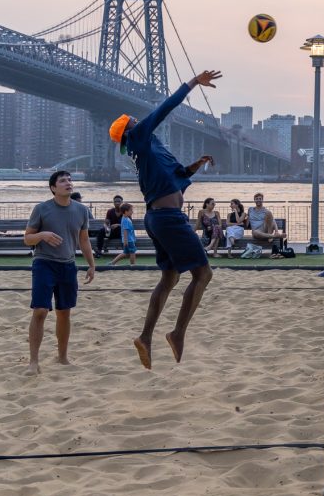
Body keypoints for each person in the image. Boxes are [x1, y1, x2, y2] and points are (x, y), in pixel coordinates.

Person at [108, 68, 221, 369]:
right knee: (203, 274)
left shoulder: (151, 151)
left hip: (159, 218)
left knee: (170, 277)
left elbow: (179, 177)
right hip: (168, 219)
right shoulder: (139, 137)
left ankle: (145, 337)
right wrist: (193, 82)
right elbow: (164, 108)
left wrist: (196, 164)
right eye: (134, 118)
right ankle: (178, 332)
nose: (139, 119)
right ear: (131, 127)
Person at [23, 171, 95, 375]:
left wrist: (91, 264)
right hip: (44, 263)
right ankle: (33, 362)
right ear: (53, 188)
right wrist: (42, 235)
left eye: (70, 180)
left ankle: (62, 357)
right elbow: (27, 239)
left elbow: (84, 240)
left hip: (68, 265)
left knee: (64, 312)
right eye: (63, 181)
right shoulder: (42, 209)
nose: (68, 183)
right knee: (40, 311)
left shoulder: (81, 210)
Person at [248, 192, 286, 256]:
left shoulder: (265, 211)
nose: (258, 200)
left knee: (269, 213)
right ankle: (273, 236)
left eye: (260, 199)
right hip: (257, 232)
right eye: (256, 199)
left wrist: (276, 231)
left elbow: (272, 220)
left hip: (265, 228)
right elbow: (247, 218)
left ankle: (275, 234)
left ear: (262, 200)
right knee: (255, 232)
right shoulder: (250, 209)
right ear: (254, 200)